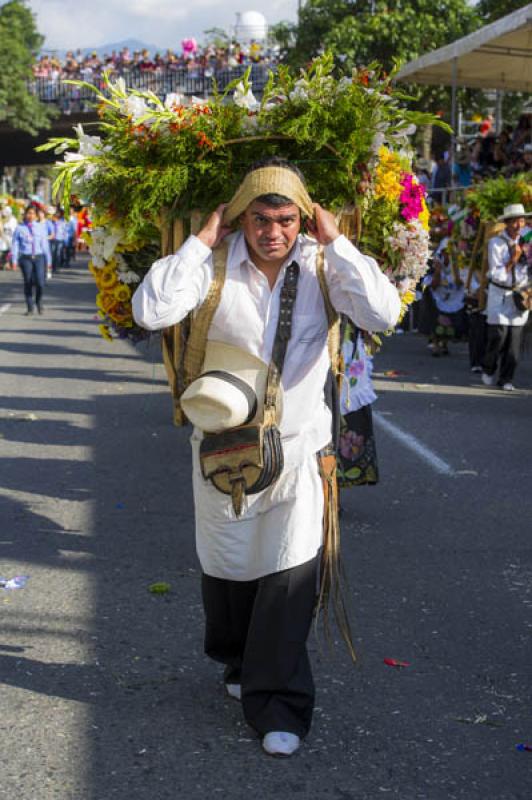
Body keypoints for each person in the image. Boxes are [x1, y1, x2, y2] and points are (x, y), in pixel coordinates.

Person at [132, 157, 400, 757]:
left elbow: (383, 313)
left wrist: (337, 242)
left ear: (301, 219)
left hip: (300, 450)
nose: (273, 231)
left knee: (288, 569)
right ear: (240, 218)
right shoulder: (215, 267)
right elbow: (149, 311)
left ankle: (278, 700)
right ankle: (237, 662)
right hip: (223, 449)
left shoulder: (322, 265)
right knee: (228, 568)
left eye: (285, 218)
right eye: (260, 218)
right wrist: (201, 242)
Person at [481, 203, 531, 391]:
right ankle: (488, 367)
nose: (518, 225)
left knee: (514, 345)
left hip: (520, 295)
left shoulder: (527, 241)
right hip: (500, 294)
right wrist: (512, 260)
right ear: (507, 224)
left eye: (521, 221)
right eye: (514, 222)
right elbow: (496, 274)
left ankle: (506, 379)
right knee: (498, 336)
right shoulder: (496, 243)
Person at [11, 205, 52, 315]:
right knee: (28, 282)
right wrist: (14, 260)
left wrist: (49, 261)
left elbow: (45, 246)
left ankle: (38, 301)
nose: (31, 215)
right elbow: (15, 245)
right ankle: (30, 307)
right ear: (25, 214)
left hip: (39, 257)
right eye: (29, 213)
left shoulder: (41, 227)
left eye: (33, 213)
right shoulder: (19, 228)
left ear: (36, 215)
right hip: (25, 258)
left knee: (40, 283)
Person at [0, 206, 18, 270]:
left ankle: (8, 263)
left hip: (11, 238)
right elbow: (1, 230)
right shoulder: (2, 220)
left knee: (10, 252)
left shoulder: (13, 220)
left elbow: (15, 230)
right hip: (3, 238)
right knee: (3, 251)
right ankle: (4, 263)